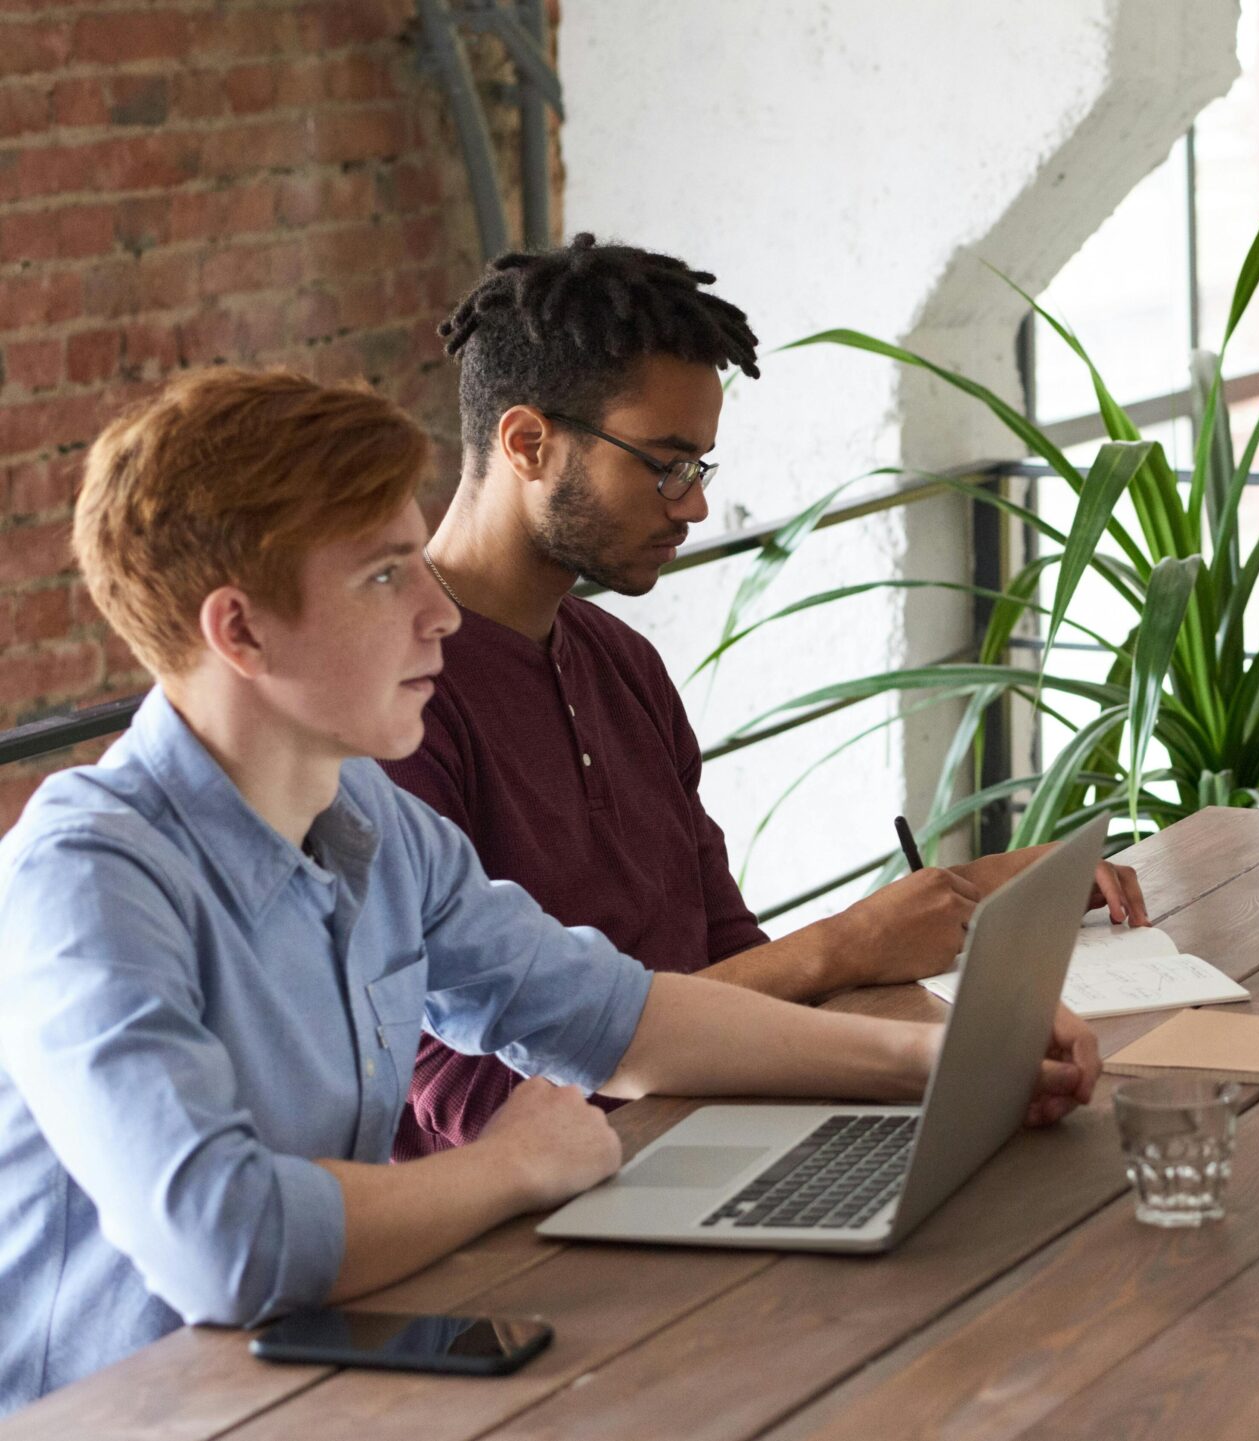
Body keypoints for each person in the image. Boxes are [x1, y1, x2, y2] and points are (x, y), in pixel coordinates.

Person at [0, 369, 1099, 1412]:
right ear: (238, 629)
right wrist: (514, 1165)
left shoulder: (373, 825)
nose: (438, 612)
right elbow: (223, 1244)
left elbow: (619, 1015)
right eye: (386, 574)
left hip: (321, 1381)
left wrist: (950, 1061)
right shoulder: (86, 878)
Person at [395, 235, 1142, 1155]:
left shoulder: (621, 662)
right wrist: (846, 948)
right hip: (538, 1232)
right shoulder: (397, 703)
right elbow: (471, 1108)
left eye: (699, 468)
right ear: (527, 443)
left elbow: (725, 957)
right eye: (665, 465)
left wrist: (959, 931)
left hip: (716, 1138)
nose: (693, 506)